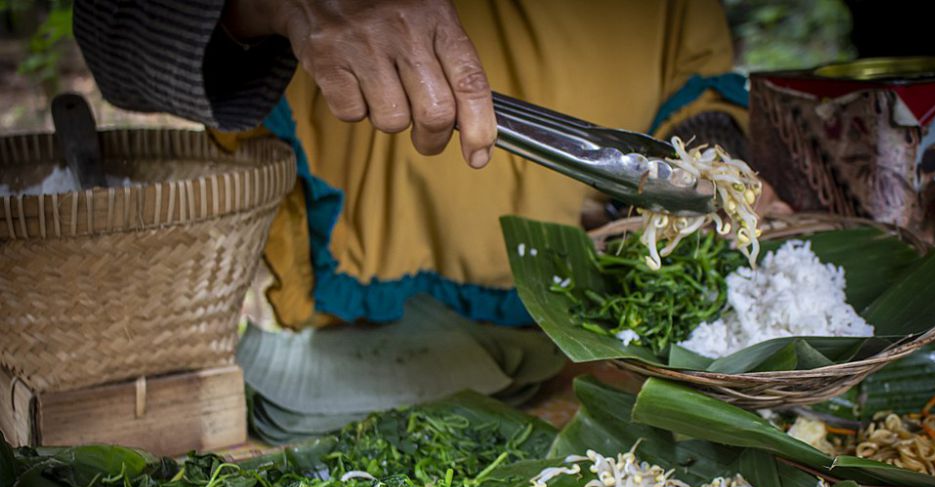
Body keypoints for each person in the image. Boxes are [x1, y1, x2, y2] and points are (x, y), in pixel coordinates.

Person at [74, 0, 751, 328]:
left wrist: (704, 162)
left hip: (608, 327)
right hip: (367, 329)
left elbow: (696, 72)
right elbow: (111, 32)